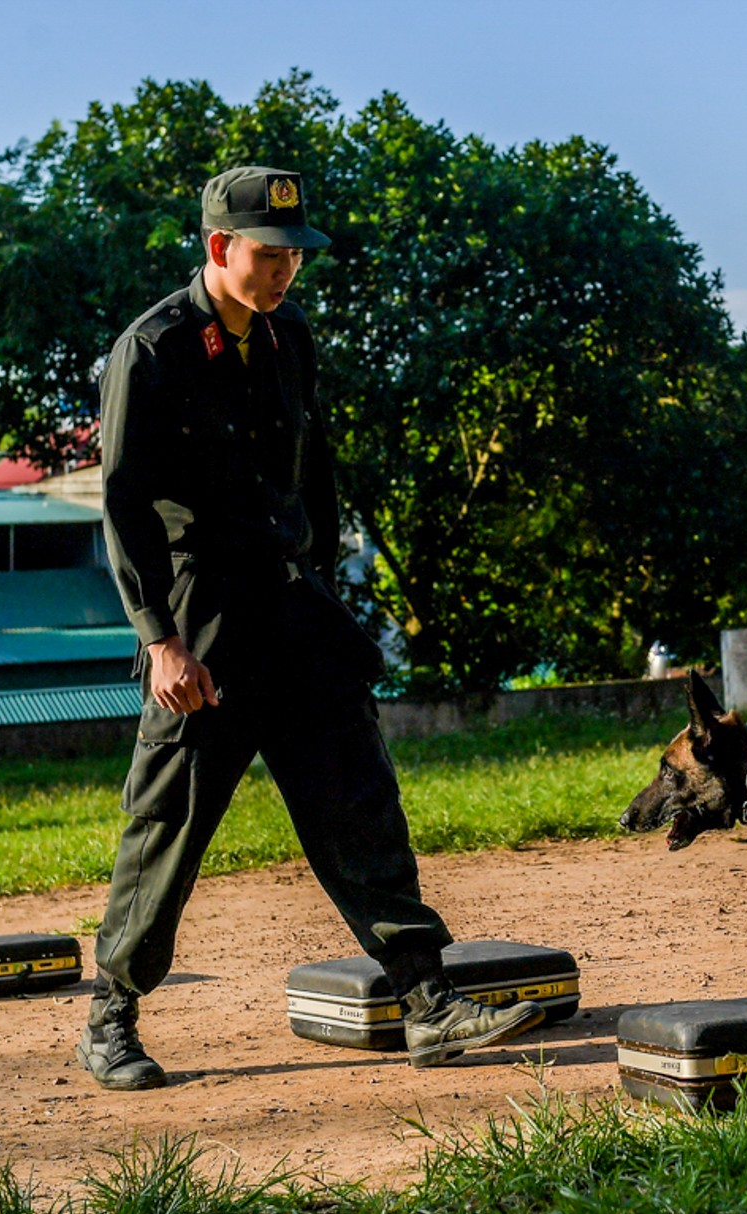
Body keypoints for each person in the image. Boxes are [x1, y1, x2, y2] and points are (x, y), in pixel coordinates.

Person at [78, 165, 543, 1091]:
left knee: (359, 801)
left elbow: (312, 472)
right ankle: (110, 1018)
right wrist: (159, 638)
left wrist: (320, 580)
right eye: (271, 251)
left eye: (295, 252)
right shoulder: (154, 350)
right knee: (169, 823)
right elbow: (123, 501)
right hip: (201, 629)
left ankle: (427, 1003)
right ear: (220, 247)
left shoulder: (291, 338)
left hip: (294, 615)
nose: (288, 267)